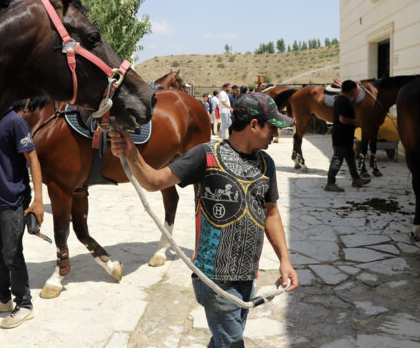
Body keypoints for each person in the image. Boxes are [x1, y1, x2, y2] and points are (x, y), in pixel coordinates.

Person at [109, 92, 299, 347]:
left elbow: (271, 213)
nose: (275, 135)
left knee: (222, 340)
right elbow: (154, 181)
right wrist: (132, 153)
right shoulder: (205, 155)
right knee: (232, 343)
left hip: (247, 277)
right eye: (272, 128)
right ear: (254, 125)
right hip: (215, 280)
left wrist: (285, 261)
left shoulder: (267, 164)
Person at [0, 101, 45, 329]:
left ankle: (25, 305)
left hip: (14, 201)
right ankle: (2, 298)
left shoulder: (16, 122)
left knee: (12, 254)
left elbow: (32, 158)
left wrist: (38, 200)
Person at [325, 80, 371, 192]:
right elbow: (343, 119)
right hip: (341, 137)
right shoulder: (343, 101)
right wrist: (356, 122)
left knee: (350, 158)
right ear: (352, 91)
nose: (356, 93)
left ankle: (356, 179)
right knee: (337, 159)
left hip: (345, 137)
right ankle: (330, 183)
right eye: (356, 90)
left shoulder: (343, 100)